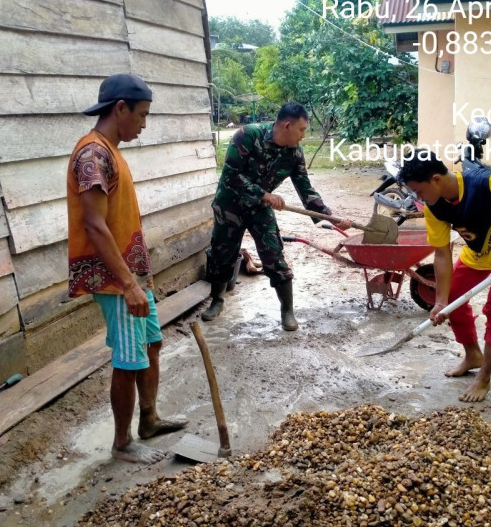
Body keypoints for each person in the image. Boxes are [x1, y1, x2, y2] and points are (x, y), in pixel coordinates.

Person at [67, 74, 187, 463]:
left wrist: (140, 281)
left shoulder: (110, 152)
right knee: (128, 356)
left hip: (133, 277)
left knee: (151, 343)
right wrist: (127, 285)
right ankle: (122, 443)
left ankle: (149, 420)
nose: (144, 124)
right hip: (116, 281)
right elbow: (94, 226)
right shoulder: (93, 155)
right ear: (120, 109)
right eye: (142, 115)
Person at [399, 149, 491, 403]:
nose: (418, 198)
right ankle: (472, 355)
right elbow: (442, 254)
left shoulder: (486, 183)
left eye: (419, 191)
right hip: (476, 255)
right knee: (454, 302)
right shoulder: (434, 208)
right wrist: (441, 301)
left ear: (435, 179)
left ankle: (484, 378)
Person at [201, 102, 351, 331]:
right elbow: (231, 175)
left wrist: (329, 216)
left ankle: (287, 311)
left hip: (259, 210)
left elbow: (306, 190)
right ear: (287, 125)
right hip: (229, 205)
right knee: (222, 254)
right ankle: (217, 300)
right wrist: (264, 194)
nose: (303, 135)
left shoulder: (294, 154)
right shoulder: (248, 135)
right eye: (301, 130)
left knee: (274, 255)